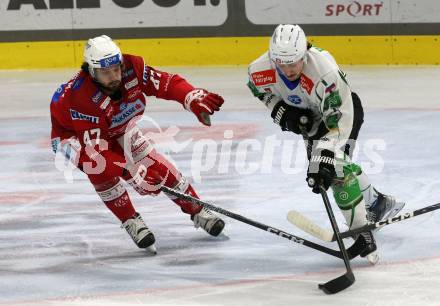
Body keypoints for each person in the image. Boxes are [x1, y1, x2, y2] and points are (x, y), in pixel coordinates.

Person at [50, 35, 225, 253]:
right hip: (74, 137)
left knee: (156, 166)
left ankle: (198, 210)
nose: (114, 76)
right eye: (106, 72)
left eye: (116, 69)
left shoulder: (132, 68)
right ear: (91, 71)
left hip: (116, 125)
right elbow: (96, 155)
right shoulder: (81, 99)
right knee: (100, 172)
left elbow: (167, 83)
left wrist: (190, 96)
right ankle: (130, 219)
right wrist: (132, 172)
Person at [247, 24, 405, 257]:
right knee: (325, 172)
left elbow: (340, 120)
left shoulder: (325, 72)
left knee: (334, 166)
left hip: (342, 115)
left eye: (294, 62)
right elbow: (260, 91)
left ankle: (362, 231)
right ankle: (376, 203)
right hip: (311, 122)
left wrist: (327, 154)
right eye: (281, 62)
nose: (288, 69)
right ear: (273, 58)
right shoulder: (259, 70)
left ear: (305, 53)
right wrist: (280, 110)